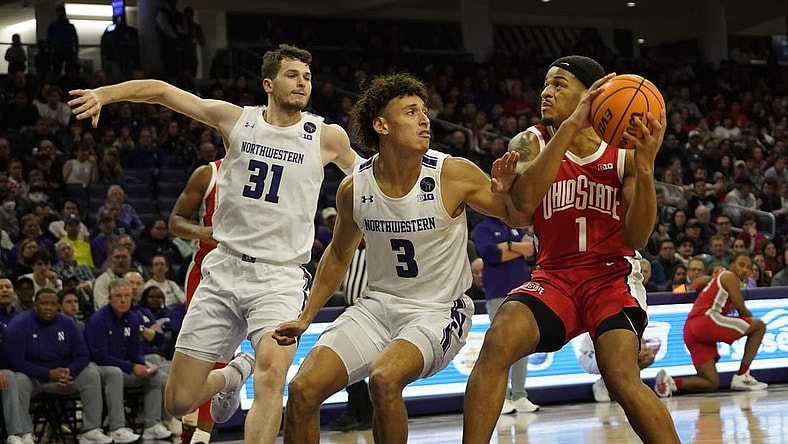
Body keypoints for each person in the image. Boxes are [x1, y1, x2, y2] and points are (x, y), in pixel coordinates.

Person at [69, 43, 363, 443]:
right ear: (268, 84)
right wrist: (105, 94)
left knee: (272, 378)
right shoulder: (235, 120)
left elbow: (368, 180)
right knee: (179, 401)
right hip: (224, 268)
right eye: (292, 75)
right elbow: (162, 92)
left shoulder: (326, 136)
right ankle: (231, 375)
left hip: (280, 277)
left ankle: (246, 381)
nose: (302, 83)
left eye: (308, 77)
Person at [273, 72, 529, 443]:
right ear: (382, 125)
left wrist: (507, 192)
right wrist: (305, 316)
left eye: (424, 111)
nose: (425, 119)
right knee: (301, 390)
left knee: (384, 377)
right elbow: (339, 253)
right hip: (376, 308)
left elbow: (518, 217)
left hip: (439, 311)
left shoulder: (452, 173)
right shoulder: (354, 187)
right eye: (411, 112)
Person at [462, 55, 679, 444]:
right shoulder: (530, 141)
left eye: (559, 84)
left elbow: (637, 239)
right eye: (546, 84)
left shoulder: (625, 153)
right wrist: (571, 126)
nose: (546, 92)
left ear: (592, 94)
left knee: (620, 374)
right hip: (554, 276)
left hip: (611, 276)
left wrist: (646, 170)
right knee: (498, 341)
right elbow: (524, 205)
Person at [6, 288, 114, 444]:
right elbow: (16, 362)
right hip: (34, 378)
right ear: (35, 305)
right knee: (18, 379)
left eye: (53, 304)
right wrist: (49, 373)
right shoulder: (19, 324)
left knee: (91, 373)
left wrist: (70, 371)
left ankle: (90, 430)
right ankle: (25, 433)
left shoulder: (68, 323)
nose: (49, 307)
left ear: (58, 306)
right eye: (44, 303)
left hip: (65, 377)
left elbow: (83, 355)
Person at [654, 253, 768, 396]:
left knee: (711, 382)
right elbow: (742, 309)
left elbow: (696, 283)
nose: (745, 270)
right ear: (732, 265)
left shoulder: (718, 278)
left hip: (690, 328)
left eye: (749, 267)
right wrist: (750, 322)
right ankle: (742, 375)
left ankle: (670, 383)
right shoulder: (730, 276)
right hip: (706, 320)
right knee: (759, 326)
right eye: (742, 265)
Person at [168, 158, 223, 444]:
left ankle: (202, 432)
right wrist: (202, 232)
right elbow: (175, 221)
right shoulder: (208, 173)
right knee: (200, 353)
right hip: (207, 271)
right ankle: (193, 432)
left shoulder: (274, 168)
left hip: (251, 273)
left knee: (223, 359)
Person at [84, 278, 173, 442]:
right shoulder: (98, 320)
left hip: (124, 366)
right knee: (115, 373)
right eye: (118, 296)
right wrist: (132, 367)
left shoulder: (133, 318)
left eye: (126, 296)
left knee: (157, 375)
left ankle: (152, 425)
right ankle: (116, 428)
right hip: (99, 368)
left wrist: (142, 365)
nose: (123, 300)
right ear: (110, 299)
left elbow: (135, 351)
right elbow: (99, 356)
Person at [473, 215, 538, 414]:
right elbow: (492, 254)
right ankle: (500, 398)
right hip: (498, 292)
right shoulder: (483, 229)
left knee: (523, 345)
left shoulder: (515, 225)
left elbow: (532, 250)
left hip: (523, 291)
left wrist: (508, 247)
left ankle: (519, 395)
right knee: (500, 346)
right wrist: (519, 248)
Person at [576, 332, 656, 402]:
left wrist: (646, 355)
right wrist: (634, 352)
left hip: (613, 355)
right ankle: (604, 384)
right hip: (590, 355)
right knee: (620, 356)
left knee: (641, 358)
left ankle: (615, 385)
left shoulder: (636, 326)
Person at [47, 4, 79, 75]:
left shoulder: (54, 25)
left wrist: (50, 51)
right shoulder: (69, 26)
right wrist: (76, 52)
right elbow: (75, 40)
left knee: (59, 70)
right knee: (67, 70)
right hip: (65, 50)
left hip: (60, 50)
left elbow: (49, 39)